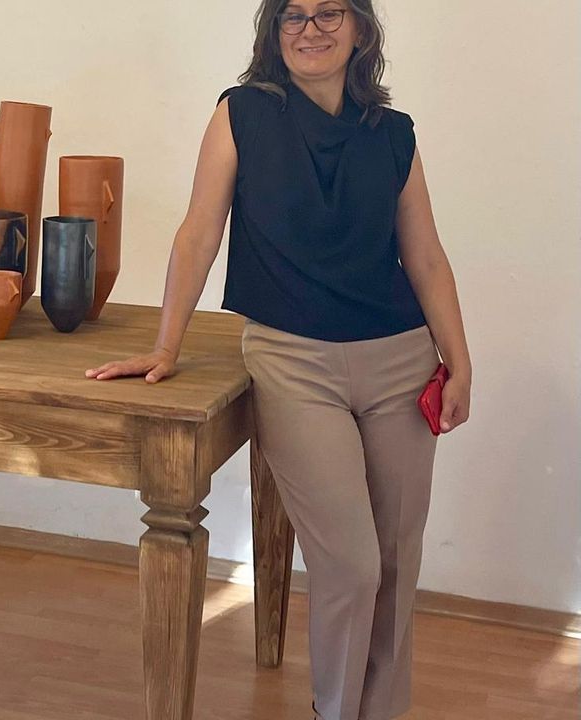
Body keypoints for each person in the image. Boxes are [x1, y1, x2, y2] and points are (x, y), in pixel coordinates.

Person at [85, 1, 472, 718]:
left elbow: (425, 255)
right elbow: (199, 232)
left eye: (329, 13)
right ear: (274, 31)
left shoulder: (394, 135)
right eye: (293, 15)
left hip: (402, 362)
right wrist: (166, 345)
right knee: (351, 564)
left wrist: (460, 361)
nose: (310, 29)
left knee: (395, 561)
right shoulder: (243, 115)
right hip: (294, 363)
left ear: (360, 29)